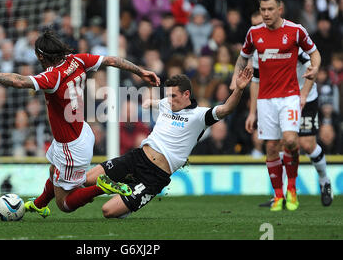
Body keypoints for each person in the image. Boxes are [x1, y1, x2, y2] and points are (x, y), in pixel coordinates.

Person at [0, 28, 161, 217]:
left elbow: (18, 81)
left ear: (40, 56)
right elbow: (112, 60)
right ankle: (39, 204)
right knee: (53, 170)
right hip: (82, 131)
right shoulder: (78, 60)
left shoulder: (52, 77)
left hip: (70, 145)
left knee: (64, 204)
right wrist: (140, 71)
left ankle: (102, 186)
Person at [82, 71, 252, 218]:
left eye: (173, 96)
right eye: (168, 95)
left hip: (154, 176)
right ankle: (118, 187)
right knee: (87, 179)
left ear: (186, 94)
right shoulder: (166, 104)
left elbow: (226, 108)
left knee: (108, 211)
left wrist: (239, 88)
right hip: (138, 157)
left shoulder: (200, 116)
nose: (169, 100)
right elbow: (160, 103)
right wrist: (150, 103)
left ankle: (125, 194)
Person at [235, 0, 321, 212]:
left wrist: (315, 68)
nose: (266, 13)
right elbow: (243, 58)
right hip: (265, 99)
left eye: (270, 9)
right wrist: (237, 81)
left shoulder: (295, 30)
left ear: (279, 9)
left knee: (291, 141)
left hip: (290, 96)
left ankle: (292, 189)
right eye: (263, 9)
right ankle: (279, 195)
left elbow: (315, 53)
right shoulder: (254, 33)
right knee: (272, 147)